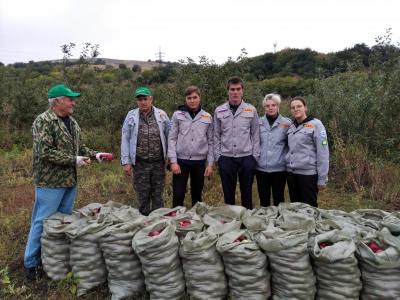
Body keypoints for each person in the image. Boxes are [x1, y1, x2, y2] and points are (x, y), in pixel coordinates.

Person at [24, 84, 113, 280]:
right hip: (50, 182)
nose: (73, 102)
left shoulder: (71, 122)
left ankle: (54, 259)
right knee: (42, 221)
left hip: (69, 180)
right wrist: (74, 160)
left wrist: (96, 155)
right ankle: (31, 263)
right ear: (57, 101)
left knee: (62, 221)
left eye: (73, 98)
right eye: (70, 98)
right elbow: (44, 152)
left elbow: (79, 147)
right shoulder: (43, 121)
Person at [121, 87, 170, 215]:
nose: (143, 102)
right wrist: (126, 162)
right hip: (140, 164)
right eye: (140, 99)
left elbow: (170, 136)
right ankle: (143, 223)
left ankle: (158, 224)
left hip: (158, 163)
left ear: (151, 99)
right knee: (143, 196)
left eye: (145, 99)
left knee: (158, 196)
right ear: (137, 101)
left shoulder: (162, 115)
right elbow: (125, 138)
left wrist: (170, 158)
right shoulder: (131, 116)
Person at [213, 77, 260, 209]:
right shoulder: (219, 110)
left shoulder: (251, 110)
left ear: (242, 91)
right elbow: (216, 135)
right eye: (232, 89)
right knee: (228, 195)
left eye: (238, 89)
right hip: (226, 158)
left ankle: (247, 221)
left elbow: (255, 135)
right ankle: (231, 222)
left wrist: (254, 157)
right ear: (227, 91)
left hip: (246, 158)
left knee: (247, 194)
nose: (235, 92)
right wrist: (218, 157)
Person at [168, 86, 214, 207]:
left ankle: (196, 222)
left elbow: (211, 141)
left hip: (199, 162)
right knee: (178, 195)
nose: (192, 100)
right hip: (181, 161)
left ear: (200, 98)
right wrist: (173, 161)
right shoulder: (177, 115)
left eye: (195, 97)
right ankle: (176, 220)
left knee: (197, 196)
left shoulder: (207, 117)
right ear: (185, 99)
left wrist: (210, 164)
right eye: (189, 98)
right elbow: (172, 139)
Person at [286, 96, 329, 207]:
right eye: (293, 107)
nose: (296, 109)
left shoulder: (316, 125)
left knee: (309, 208)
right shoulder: (291, 127)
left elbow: (323, 153)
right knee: (295, 207)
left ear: (305, 108)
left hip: (308, 175)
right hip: (292, 174)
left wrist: (322, 179)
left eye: (299, 106)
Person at [256, 93, 291, 206]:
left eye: (273, 105)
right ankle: (264, 221)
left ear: (278, 106)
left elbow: (292, 144)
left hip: (279, 168)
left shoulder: (287, 123)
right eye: (267, 106)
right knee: (264, 198)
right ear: (264, 107)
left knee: (278, 198)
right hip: (261, 168)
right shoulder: (258, 122)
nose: (270, 108)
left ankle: (278, 221)